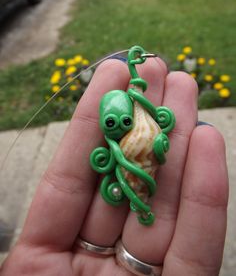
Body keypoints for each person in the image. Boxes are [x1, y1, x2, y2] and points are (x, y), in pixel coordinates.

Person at [0, 57, 228, 276]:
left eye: (124, 122)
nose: (119, 126)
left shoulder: (139, 122)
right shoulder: (123, 136)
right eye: (111, 123)